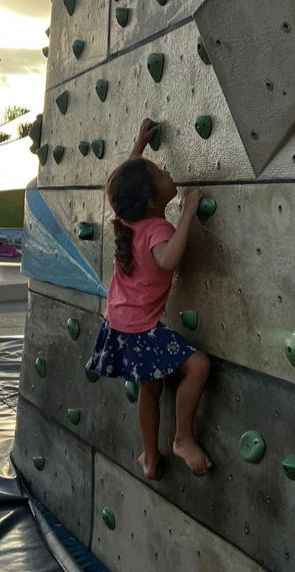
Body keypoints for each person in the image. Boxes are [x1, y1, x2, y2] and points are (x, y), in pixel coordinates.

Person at [88, 118, 213, 480]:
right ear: (151, 200)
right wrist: (187, 214)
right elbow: (168, 260)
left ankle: (150, 456)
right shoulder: (157, 228)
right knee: (198, 368)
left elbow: (124, 187)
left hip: (118, 322)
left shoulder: (126, 219)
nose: (166, 170)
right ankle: (182, 438)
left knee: (150, 386)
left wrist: (139, 147)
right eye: (158, 173)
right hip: (140, 329)